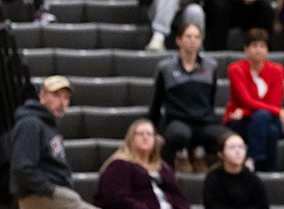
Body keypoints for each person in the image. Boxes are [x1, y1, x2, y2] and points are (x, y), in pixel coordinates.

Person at [11, 76, 95, 209]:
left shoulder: (48, 125)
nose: (62, 103)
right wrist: (49, 189)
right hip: (40, 196)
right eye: (56, 95)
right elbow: (23, 166)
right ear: (42, 96)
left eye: (66, 98)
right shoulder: (31, 123)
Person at [148, 22, 223, 172]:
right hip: (179, 120)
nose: (193, 40)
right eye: (188, 36)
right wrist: (153, 129)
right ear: (179, 40)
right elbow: (156, 101)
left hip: (204, 121)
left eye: (196, 37)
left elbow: (211, 99)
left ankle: (199, 153)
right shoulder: (166, 68)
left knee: (228, 140)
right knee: (179, 135)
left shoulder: (210, 66)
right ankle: (182, 154)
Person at [223, 29, 284, 172]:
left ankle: (252, 160)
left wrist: (245, 111)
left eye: (262, 46)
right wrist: (280, 112)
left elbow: (274, 103)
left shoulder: (277, 70)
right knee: (270, 130)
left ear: (267, 49)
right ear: (246, 49)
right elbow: (246, 99)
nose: (258, 50)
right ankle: (268, 170)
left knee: (264, 118)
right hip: (240, 121)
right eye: (254, 46)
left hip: (265, 118)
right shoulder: (235, 69)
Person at [94, 118, 189, 209]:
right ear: (131, 138)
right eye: (140, 134)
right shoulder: (119, 165)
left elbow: (179, 197)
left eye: (149, 134)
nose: (145, 137)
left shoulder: (163, 168)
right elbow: (117, 199)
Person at [201, 131, 269, 209]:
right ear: (221, 154)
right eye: (232, 147)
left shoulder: (253, 179)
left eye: (241, 147)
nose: (238, 151)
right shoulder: (213, 179)